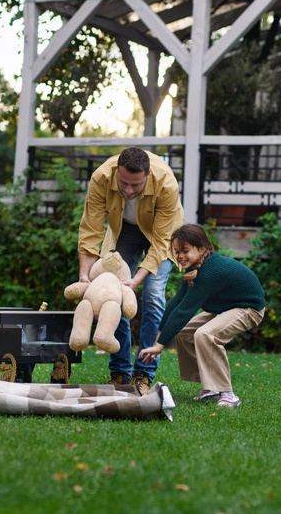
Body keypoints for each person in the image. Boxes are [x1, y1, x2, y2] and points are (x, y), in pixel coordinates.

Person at [77, 146, 184, 396]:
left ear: (147, 174)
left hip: (162, 235)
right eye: (123, 183)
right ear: (117, 172)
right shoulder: (101, 177)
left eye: (135, 185)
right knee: (112, 295)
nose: (128, 190)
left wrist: (137, 278)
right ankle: (120, 373)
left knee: (153, 295)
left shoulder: (166, 183)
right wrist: (85, 274)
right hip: (125, 230)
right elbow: (91, 229)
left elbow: (161, 243)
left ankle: (143, 375)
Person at [140, 223, 265, 408]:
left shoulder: (208, 273)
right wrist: (159, 337)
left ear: (201, 249)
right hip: (227, 307)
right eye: (176, 251)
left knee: (205, 334)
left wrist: (160, 346)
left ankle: (228, 393)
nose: (180, 256)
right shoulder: (195, 267)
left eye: (185, 250)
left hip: (249, 308)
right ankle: (211, 387)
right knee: (184, 332)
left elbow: (185, 311)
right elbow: (176, 303)